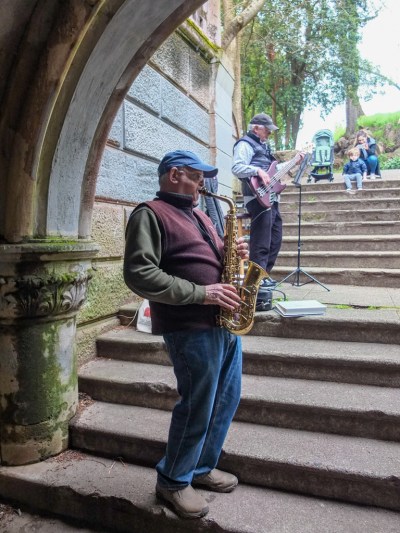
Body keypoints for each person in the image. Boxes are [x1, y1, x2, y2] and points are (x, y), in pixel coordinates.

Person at [123, 149, 249, 520]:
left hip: (222, 322)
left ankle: (200, 468)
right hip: (189, 326)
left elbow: (207, 257)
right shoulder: (149, 213)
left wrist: (231, 250)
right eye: (197, 177)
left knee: (226, 399)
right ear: (175, 174)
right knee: (197, 403)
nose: (203, 185)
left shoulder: (198, 214)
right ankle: (174, 481)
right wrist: (203, 293)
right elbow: (139, 274)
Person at [231, 113, 287, 288]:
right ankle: (256, 279)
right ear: (256, 128)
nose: (269, 133)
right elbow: (237, 167)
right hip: (256, 196)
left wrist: (294, 162)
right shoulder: (245, 144)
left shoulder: (264, 147)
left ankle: (263, 275)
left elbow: (272, 170)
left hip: (271, 197)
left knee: (275, 239)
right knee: (261, 240)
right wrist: (257, 171)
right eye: (267, 130)